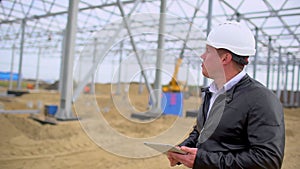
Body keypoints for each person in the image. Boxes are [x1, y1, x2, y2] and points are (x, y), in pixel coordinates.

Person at [167, 21, 285, 168]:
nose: (202, 56)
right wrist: (182, 150)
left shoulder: (262, 100)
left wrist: (202, 160)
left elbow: (267, 161)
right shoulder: (212, 92)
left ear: (225, 58)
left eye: (208, 51)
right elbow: (201, 132)